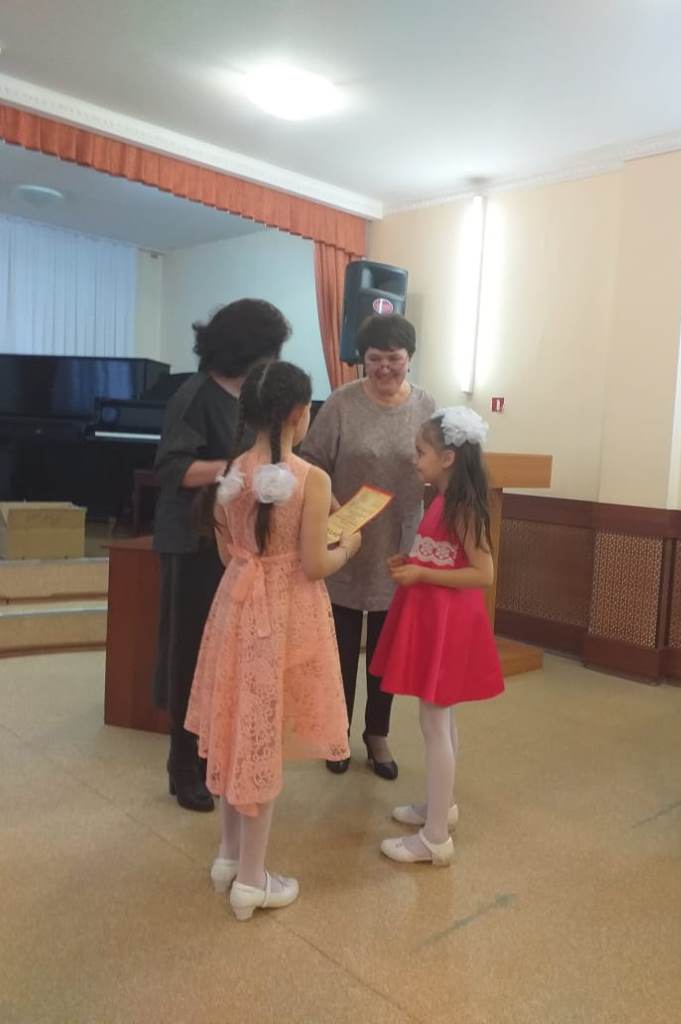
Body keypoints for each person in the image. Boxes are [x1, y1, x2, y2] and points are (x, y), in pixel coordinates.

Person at [185, 360, 360, 921]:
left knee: (237, 727)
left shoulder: (231, 472)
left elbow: (227, 553)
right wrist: (348, 546)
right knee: (262, 741)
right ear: (298, 414)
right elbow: (314, 564)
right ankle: (252, 881)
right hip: (283, 619)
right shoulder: (312, 479)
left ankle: (228, 857)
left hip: (234, 612)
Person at [152, 299, 291, 813]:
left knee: (222, 655)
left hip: (233, 541)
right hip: (192, 542)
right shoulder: (194, 395)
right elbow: (173, 469)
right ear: (246, 348)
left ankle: (209, 756)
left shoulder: (249, 395)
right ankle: (182, 765)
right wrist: (236, 465)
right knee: (189, 652)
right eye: (268, 351)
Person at [300, 314, 435, 779]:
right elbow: (311, 463)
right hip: (345, 539)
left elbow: (439, 467)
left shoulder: (426, 406)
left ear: (410, 358)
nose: (383, 368)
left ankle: (377, 734)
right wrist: (336, 510)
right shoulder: (341, 403)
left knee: (385, 650)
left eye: (393, 358)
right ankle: (335, 734)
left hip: (399, 545)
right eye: (374, 359)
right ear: (362, 360)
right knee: (337, 648)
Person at [370, 407, 505, 866]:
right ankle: (440, 807)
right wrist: (413, 564)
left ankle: (434, 839)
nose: (415, 459)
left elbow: (482, 574)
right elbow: (445, 557)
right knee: (440, 720)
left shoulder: (462, 506)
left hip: (449, 621)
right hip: (433, 616)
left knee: (434, 722)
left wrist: (423, 573)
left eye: (421, 451)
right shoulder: (442, 500)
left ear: (447, 458)